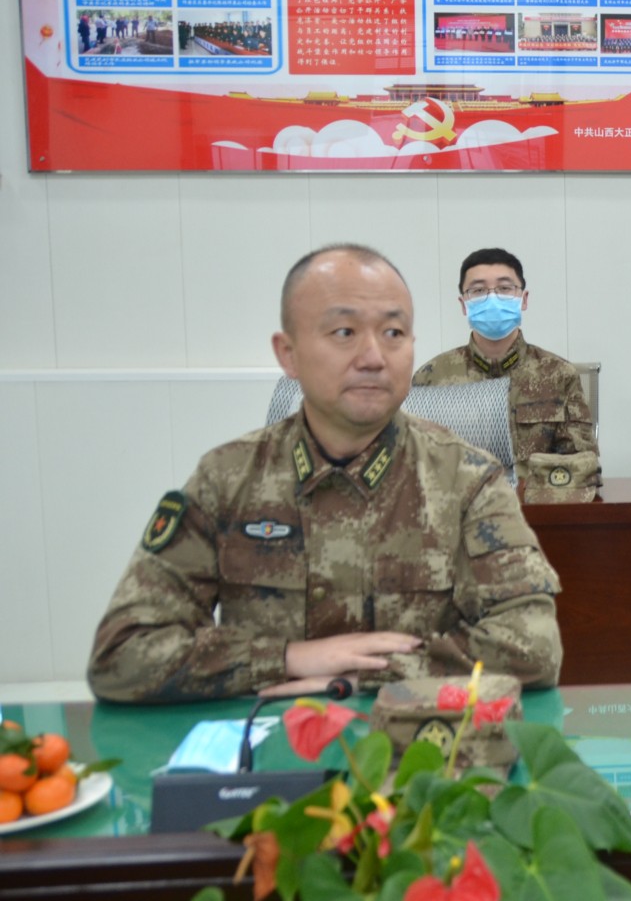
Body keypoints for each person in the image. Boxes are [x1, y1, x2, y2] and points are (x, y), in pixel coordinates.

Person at [87, 245, 563, 704]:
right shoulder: (228, 479)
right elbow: (121, 655)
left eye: (394, 333)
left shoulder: (468, 479)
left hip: (418, 742)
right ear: (288, 354)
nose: (374, 357)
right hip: (272, 741)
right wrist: (286, 659)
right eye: (344, 332)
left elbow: (534, 647)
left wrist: (367, 674)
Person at [412, 247, 601, 503]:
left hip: (536, 514)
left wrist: (523, 487)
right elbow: (416, 466)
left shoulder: (558, 375)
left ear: (523, 299)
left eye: (504, 288)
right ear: (464, 304)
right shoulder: (432, 377)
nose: (492, 299)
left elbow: (581, 466)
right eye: (478, 290)